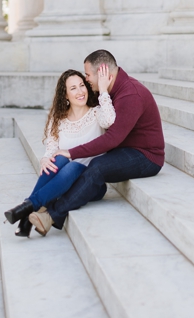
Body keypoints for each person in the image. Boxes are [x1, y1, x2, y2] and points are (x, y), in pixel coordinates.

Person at [28, 49, 165, 236]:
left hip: (146, 156)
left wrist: (71, 152)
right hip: (125, 148)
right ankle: (35, 204)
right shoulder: (113, 90)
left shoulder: (130, 94)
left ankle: (52, 214)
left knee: (97, 166)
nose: (86, 80)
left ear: (102, 72)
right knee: (77, 167)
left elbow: (112, 138)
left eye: (87, 75)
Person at [3, 67, 115, 237]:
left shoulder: (97, 113)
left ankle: (26, 207)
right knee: (59, 160)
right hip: (64, 182)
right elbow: (51, 150)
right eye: (73, 88)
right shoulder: (59, 121)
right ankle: (27, 215)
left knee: (73, 166)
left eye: (82, 85)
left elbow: (110, 120)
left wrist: (104, 90)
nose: (80, 91)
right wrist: (45, 160)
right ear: (65, 96)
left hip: (91, 185)